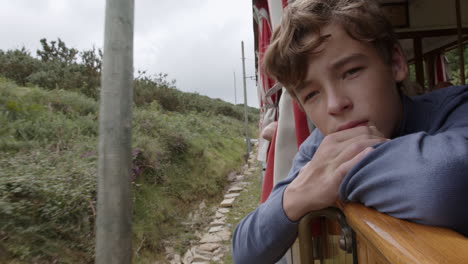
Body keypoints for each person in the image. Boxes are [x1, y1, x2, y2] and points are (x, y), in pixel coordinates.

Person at [232, 0, 468, 263]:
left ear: (396, 63)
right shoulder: (320, 146)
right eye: (311, 94)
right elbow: (244, 251)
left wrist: (330, 179)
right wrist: (296, 196)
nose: (335, 104)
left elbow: (448, 183)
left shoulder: (458, 107)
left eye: (351, 72)